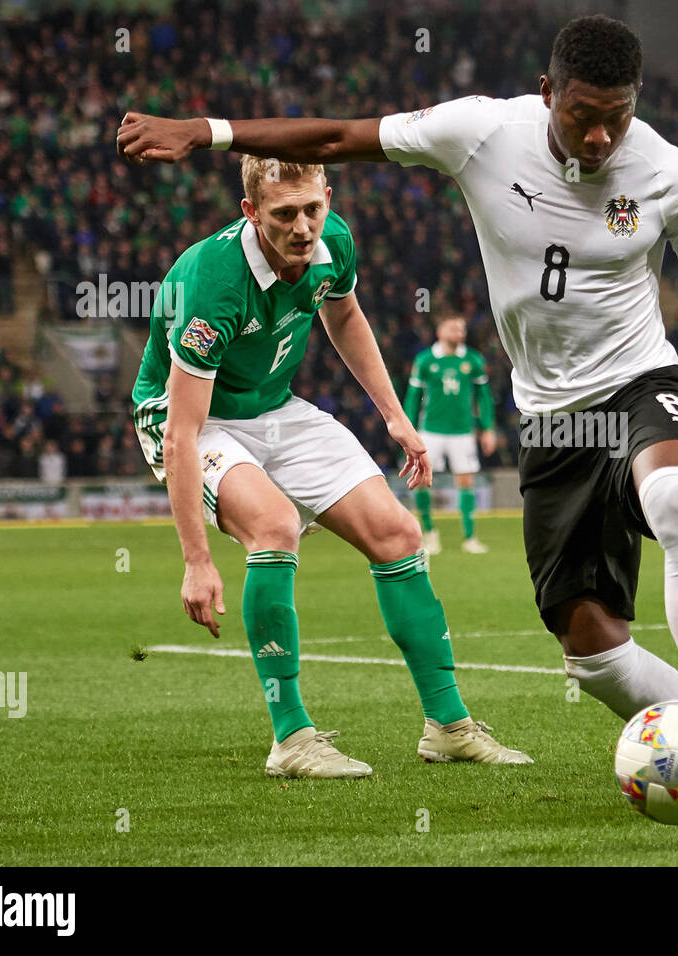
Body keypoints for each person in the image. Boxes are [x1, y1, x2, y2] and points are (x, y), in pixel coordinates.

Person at [118, 14, 678, 808]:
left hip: (640, 382)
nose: (599, 138)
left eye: (617, 117)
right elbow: (337, 134)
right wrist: (207, 133)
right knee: (590, 652)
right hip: (548, 417)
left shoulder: (668, 172)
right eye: (583, 115)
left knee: (674, 497)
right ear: (547, 93)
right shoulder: (481, 132)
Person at [129, 155, 529, 778]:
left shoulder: (333, 241)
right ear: (251, 213)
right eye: (284, 214)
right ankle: (291, 738)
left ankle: (448, 727)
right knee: (274, 526)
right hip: (189, 418)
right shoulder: (212, 283)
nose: (303, 227)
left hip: (275, 406)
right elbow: (182, 433)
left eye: (313, 208)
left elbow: (342, 313)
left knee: (398, 533)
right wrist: (196, 560)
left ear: (328, 199)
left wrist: (395, 415)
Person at [403, 314, 496, 554]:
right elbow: (413, 396)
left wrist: (487, 428)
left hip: (462, 431)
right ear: (440, 331)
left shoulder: (473, 360)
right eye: (454, 327)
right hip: (430, 431)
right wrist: (407, 428)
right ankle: (430, 533)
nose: (460, 332)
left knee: (466, 481)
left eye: (462, 328)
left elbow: (484, 396)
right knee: (422, 481)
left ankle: (469, 537)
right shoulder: (425, 360)